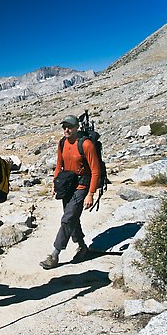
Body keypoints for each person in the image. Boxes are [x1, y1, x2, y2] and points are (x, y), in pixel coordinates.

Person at [40, 114, 101, 270]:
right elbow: (59, 165)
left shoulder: (86, 145)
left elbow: (95, 171)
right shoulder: (62, 143)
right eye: (64, 127)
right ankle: (82, 246)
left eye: (69, 127)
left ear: (76, 128)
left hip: (81, 187)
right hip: (67, 186)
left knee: (67, 218)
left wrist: (90, 194)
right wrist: (55, 184)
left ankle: (55, 254)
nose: (66, 130)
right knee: (72, 217)